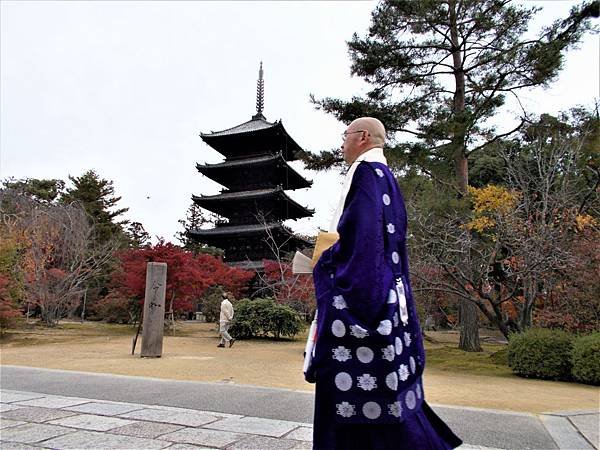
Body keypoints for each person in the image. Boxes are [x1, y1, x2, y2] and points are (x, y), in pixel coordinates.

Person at [308, 117, 462, 449]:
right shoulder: (386, 178)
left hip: (364, 303)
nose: (341, 143)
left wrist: (324, 265)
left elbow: (360, 244)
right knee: (389, 397)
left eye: (345, 136)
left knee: (352, 403)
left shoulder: (364, 176)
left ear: (362, 138)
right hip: (393, 301)